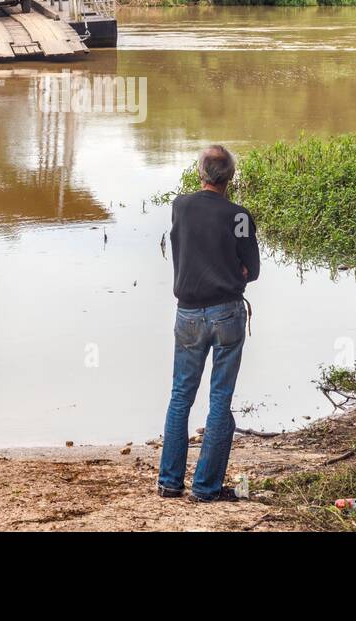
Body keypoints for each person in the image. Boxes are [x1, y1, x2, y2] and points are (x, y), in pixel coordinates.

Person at [158, 145, 260, 502]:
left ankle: (170, 483)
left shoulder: (181, 206)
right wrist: (235, 269)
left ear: (200, 173)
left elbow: (184, 246)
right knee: (220, 400)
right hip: (228, 312)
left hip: (187, 313)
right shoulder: (240, 216)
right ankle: (205, 488)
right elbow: (253, 271)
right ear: (230, 178)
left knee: (180, 397)